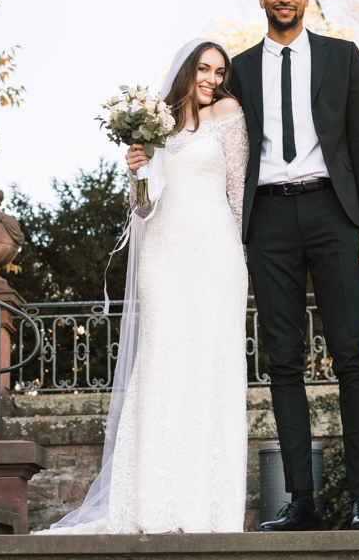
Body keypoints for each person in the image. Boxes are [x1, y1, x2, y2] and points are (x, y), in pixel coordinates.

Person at [39, 39, 250, 534]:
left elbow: (237, 187)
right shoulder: (154, 129)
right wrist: (136, 171)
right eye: (204, 68)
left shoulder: (228, 111)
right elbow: (142, 208)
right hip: (163, 254)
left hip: (215, 253)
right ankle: (152, 503)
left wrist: (241, 255)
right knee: (163, 364)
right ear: (186, 71)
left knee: (211, 369)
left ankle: (207, 509)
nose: (212, 79)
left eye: (219, 71)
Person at [230, 0, 359, 532]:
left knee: (350, 357)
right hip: (267, 220)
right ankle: (302, 502)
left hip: (333, 213)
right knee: (284, 362)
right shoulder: (240, 70)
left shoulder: (342, 56)